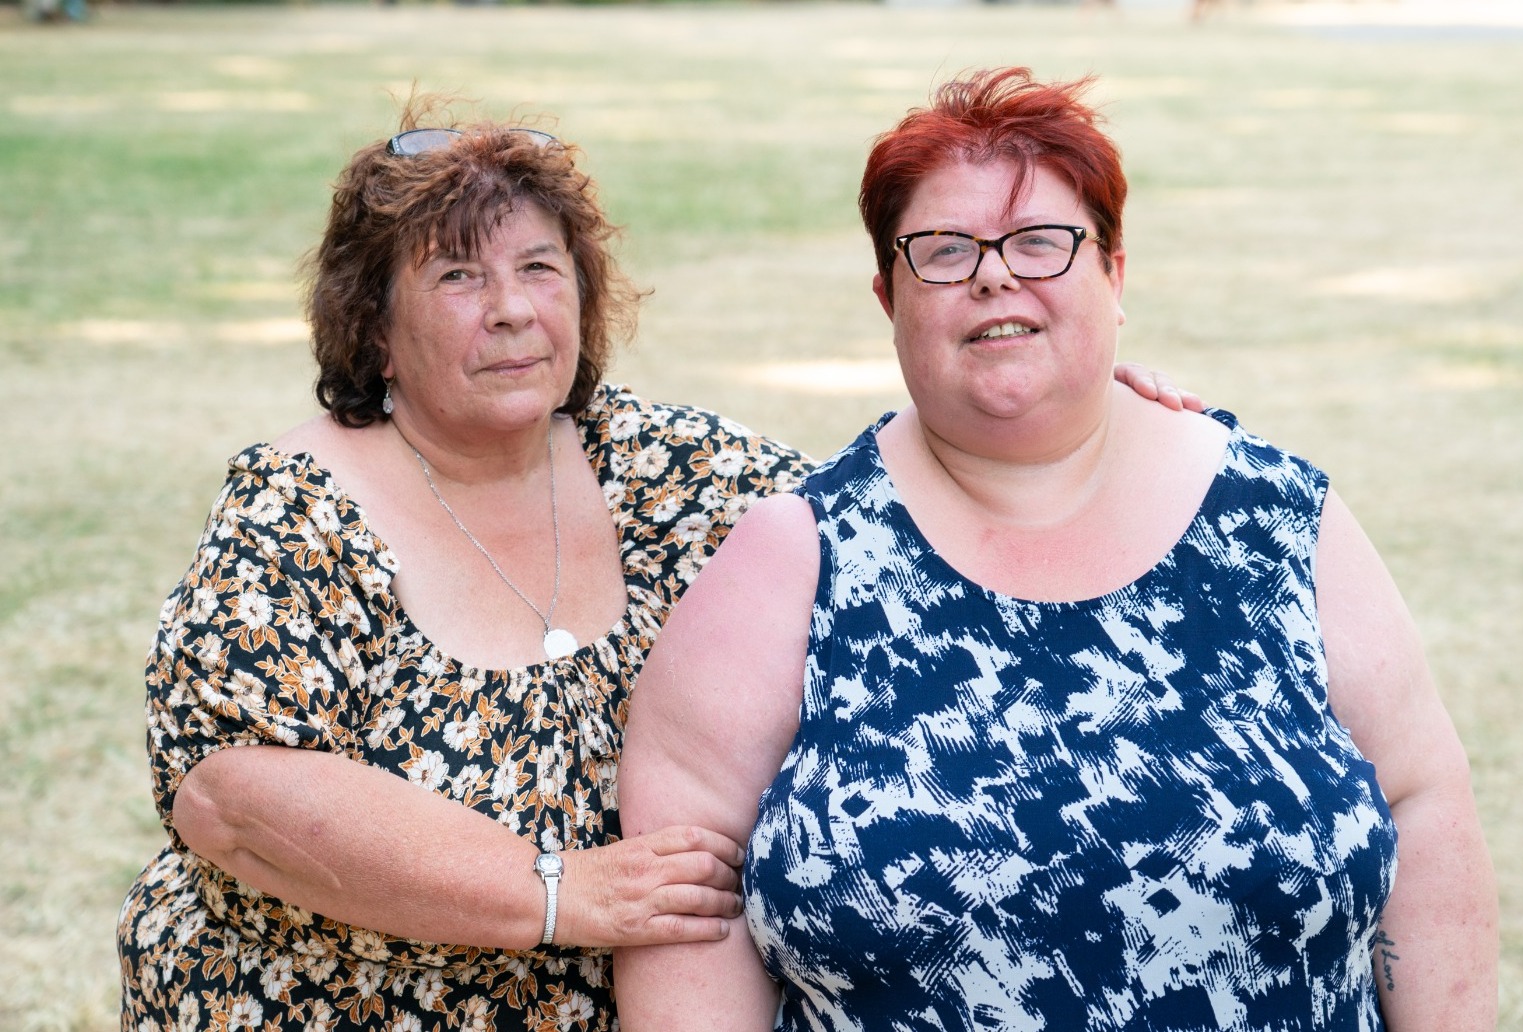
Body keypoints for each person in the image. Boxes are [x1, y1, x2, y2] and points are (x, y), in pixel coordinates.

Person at [116, 95, 1193, 1029]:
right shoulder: (300, 503)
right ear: (374, 327)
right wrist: (558, 894)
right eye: (458, 276)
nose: (512, 309)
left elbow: (892, 508)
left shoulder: (671, 468)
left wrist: (1062, 396)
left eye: (541, 268)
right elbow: (232, 796)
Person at [615, 67, 1498, 1031]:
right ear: (888, 298)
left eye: (1041, 241)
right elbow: (682, 904)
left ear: (1114, 275)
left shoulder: (1278, 517)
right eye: (944, 250)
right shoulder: (793, 560)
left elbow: (1423, 804)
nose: (995, 274)